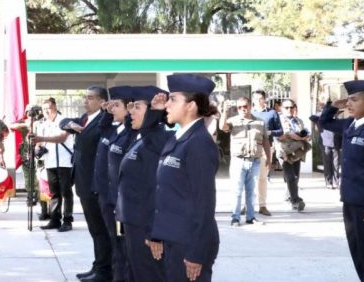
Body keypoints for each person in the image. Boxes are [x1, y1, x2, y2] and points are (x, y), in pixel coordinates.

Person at [147, 74, 220, 282]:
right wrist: (158, 233)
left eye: (173, 99)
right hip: (175, 237)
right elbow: (150, 138)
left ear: (191, 105)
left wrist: (196, 253)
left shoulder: (199, 144)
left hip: (189, 243)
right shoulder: (179, 138)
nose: (167, 104)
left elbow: (204, 203)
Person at [319, 80, 364, 282]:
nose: (349, 104)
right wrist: (334, 105)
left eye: (354, 99)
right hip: (351, 201)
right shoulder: (350, 125)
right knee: (359, 255)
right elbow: (324, 123)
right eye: (348, 99)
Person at [115, 86, 171, 282]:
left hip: (145, 226)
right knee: (135, 273)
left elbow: (158, 189)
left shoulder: (158, 140)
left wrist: (155, 232)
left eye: (137, 107)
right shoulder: (141, 139)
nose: (131, 111)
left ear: (153, 113)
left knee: (148, 275)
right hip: (133, 222)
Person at [60, 86, 111, 282]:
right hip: (83, 182)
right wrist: (70, 124)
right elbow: (63, 122)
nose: (85, 101)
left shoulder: (104, 120)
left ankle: (105, 271)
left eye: (90, 98)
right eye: (85, 97)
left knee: (101, 230)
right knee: (94, 230)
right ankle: (98, 265)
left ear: (101, 101)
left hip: (94, 184)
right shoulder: (85, 119)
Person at [96, 86, 133, 281]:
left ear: (129, 108)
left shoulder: (130, 134)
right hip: (109, 197)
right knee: (116, 243)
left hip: (120, 202)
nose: (113, 109)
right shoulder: (115, 130)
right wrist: (106, 112)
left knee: (123, 246)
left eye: (117, 105)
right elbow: (102, 129)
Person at [219, 96, 271, 226]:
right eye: (240, 107)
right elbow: (222, 127)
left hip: (255, 161)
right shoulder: (233, 121)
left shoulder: (260, 122)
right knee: (236, 190)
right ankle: (235, 217)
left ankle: (250, 217)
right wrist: (224, 112)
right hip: (238, 161)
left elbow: (265, 141)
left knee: (251, 191)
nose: (243, 109)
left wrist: (269, 158)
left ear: (250, 106)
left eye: (245, 106)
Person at [31, 98, 75, 232]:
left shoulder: (65, 121)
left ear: (55, 107)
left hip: (65, 162)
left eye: (48, 108)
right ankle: (55, 219)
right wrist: (37, 148)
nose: (45, 111)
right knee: (54, 193)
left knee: (66, 192)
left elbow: (62, 138)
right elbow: (39, 143)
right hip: (50, 162)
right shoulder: (43, 124)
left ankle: (67, 220)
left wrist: (41, 139)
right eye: (43, 109)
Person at [9, 103, 49, 220]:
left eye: (33, 112)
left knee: (41, 183)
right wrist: (27, 124)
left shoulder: (43, 123)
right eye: (28, 113)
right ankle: (30, 196)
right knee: (28, 180)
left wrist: (36, 123)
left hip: (39, 157)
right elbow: (12, 126)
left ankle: (44, 208)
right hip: (26, 156)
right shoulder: (25, 123)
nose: (30, 115)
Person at [250, 90, 282, 216]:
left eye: (260, 98)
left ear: (264, 99)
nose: (258, 100)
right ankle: (247, 205)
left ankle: (262, 205)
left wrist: (269, 133)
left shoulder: (272, 113)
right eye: (256, 98)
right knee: (249, 178)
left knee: (262, 178)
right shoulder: (249, 113)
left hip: (266, 147)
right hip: (250, 148)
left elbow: (280, 131)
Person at [277, 100, 310, 211]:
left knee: (296, 177)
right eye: (286, 107)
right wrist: (289, 135)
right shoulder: (278, 120)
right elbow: (277, 136)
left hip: (297, 151)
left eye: (292, 107)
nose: (289, 109)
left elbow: (304, 133)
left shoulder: (298, 120)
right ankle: (295, 200)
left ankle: (289, 196)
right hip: (284, 151)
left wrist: (304, 136)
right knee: (291, 176)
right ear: (281, 108)